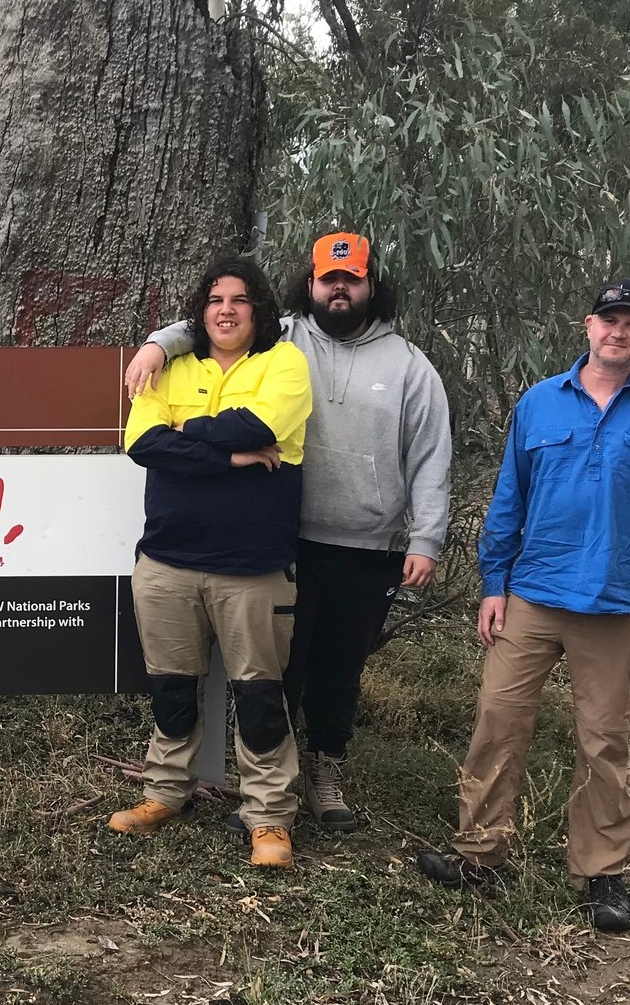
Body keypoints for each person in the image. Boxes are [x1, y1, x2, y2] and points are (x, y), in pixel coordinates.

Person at [126, 232, 451, 831]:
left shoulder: (408, 365)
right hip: (289, 537)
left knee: (338, 668)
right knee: (281, 676)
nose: (339, 289)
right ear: (311, 285)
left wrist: (426, 537)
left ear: (370, 286)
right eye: (329, 279)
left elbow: (431, 455)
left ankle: (325, 774)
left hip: (367, 542)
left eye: (351, 279)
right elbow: (208, 322)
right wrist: (154, 343)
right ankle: (266, 792)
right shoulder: (287, 335)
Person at [416, 278, 630, 933]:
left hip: (620, 602)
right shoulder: (541, 403)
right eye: (609, 321)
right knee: (498, 720)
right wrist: (495, 584)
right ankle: (481, 855)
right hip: (533, 594)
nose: (618, 332)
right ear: (589, 326)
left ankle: (602, 872)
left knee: (605, 739)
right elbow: (510, 499)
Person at [110, 253, 312, 870]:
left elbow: (256, 422)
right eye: (216, 300)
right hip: (167, 561)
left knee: (259, 694)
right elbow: (141, 443)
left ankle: (269, 818)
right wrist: (232, 457)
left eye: (240, 299)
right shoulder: (168, 365)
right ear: (201, 311)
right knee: (171, 688)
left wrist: (189, 436)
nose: (227, 310)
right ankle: (165, 794)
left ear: (259, 309)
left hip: (252, 566)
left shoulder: (286, 362)